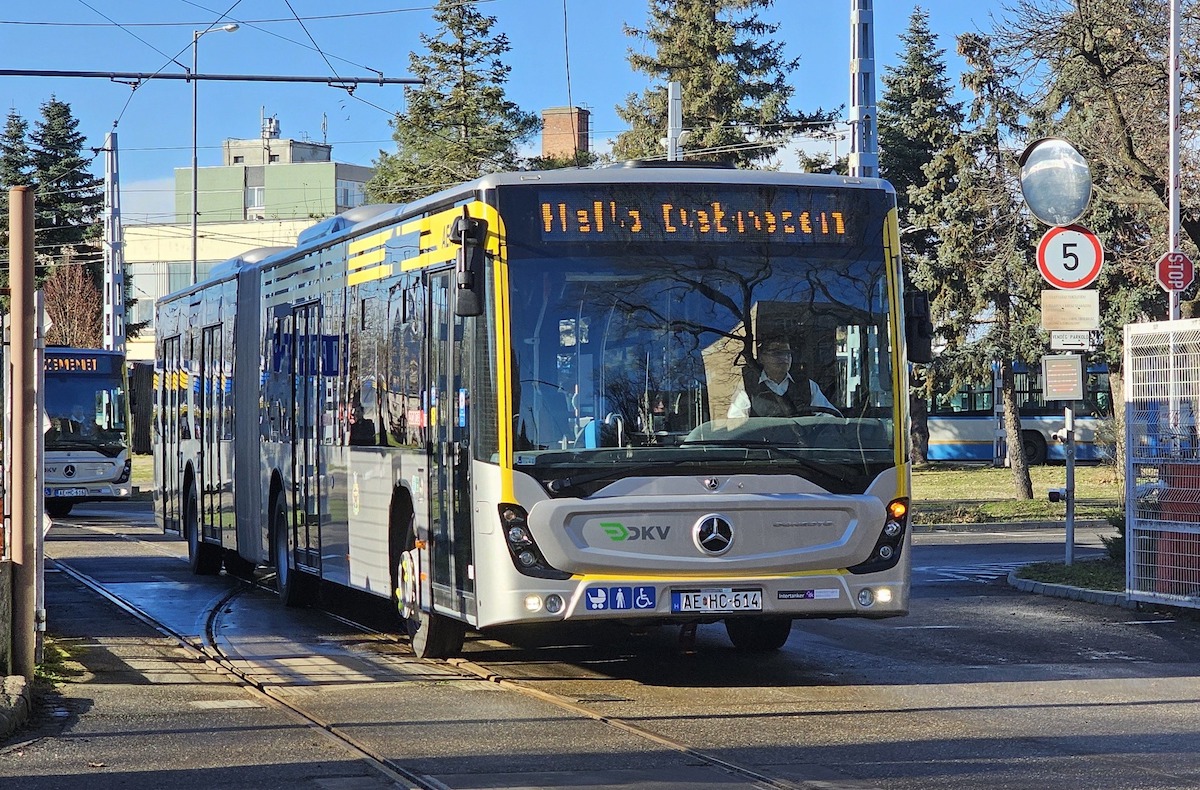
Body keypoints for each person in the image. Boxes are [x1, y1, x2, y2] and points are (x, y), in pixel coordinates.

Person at [727, 339, 837, 418]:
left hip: (802, 443)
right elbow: (736, 423)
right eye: (777, 353)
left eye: (788, 353)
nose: (785, 358)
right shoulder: (748, 387)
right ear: (762, 358)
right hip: (762, 444)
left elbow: (829, 417)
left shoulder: (807, 386)